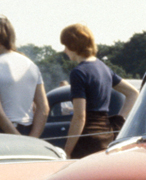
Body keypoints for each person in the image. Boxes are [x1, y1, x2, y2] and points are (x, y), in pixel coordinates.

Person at [60, 23, 139, 158]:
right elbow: (133, 93)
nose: (64, 50)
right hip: (107, 136)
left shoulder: (78, 72)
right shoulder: (104, 68)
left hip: (86, 140)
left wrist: (67, 151)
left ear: (73, 45)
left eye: (66, 46)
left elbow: (80, 117)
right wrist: (119, 121)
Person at [0, 16, 48, 136]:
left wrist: (19, 140)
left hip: (3, 133)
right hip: (29, 131)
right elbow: (44, 109)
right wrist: (32, 140)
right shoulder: (31, 65)